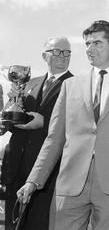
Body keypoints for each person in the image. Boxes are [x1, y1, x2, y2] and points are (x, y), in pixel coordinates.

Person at [17, 21, 109, 230]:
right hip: (70, 185)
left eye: (97, 43)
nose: (89, 49)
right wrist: (34, 180)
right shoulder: (70, 86)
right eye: (86, 44)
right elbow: (54, 139)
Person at [0, 36, 73, 230]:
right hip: (16, 167)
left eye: (67, 52)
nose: (62, 56)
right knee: (12, 224)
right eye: (56, 51)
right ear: (44, 55)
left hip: (47, 174)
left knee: (39, 224)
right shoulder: (28, 83)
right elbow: (16, 117)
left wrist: (45, 122)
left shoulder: (76, 85)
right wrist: (9, 109)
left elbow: (77, 124)